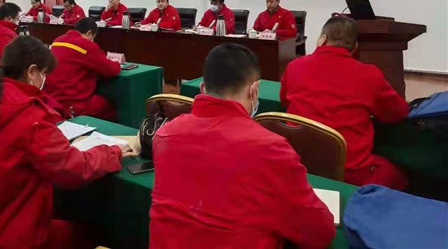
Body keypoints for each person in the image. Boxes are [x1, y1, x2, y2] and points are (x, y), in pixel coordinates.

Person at [0, 36, 133, 249]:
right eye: (44, 73)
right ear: (31, 71)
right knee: (92, 233)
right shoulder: (28, 115)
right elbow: (72, 168)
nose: (45, 80)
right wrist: (112, 152)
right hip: (8, 234)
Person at [150, 43, 335, 248]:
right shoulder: (271, 149)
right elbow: (319, 232)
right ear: (254, 90)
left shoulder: (164, 135)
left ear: (202, 88)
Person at [280, 16, 410, 190]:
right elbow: (398, 112)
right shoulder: (369, 75)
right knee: (398, 175)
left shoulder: (295, 66)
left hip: (297, 164)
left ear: (322, 39)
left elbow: (284, 100)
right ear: (355, 47)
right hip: (348, 174)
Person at [44, 18, 121, 121]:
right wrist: (118, 63)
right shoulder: (85, 45)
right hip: (73, 105)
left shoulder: (57, 41)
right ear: (89, 33)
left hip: (51, 101)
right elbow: (111, 70)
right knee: (109, 104)